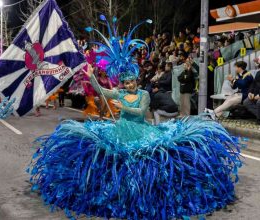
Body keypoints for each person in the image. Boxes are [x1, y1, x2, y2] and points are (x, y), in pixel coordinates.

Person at [29, 20, 241, 219]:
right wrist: (91, 75)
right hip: (122, 129)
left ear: (136, 81)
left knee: (147, 156)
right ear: (122, 82)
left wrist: (125, 107)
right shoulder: (119, 93)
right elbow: (101, 91)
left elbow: (141, 113)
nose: (129, 85)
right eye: (126, 82)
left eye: (131, 81)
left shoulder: (144, 95)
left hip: (140, 129)